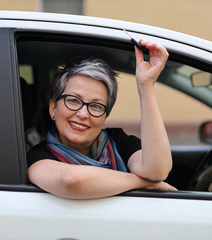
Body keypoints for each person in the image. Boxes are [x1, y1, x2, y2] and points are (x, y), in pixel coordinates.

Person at [27, 39, 177, 199]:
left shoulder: (117, 141)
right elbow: (71, 181)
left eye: (96, 106)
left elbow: (157, 170)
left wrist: (146, 85)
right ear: (53, 108)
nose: (83, 113)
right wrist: (144, 183)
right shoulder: (37, 156)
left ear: (105, 116)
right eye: (73, 100)